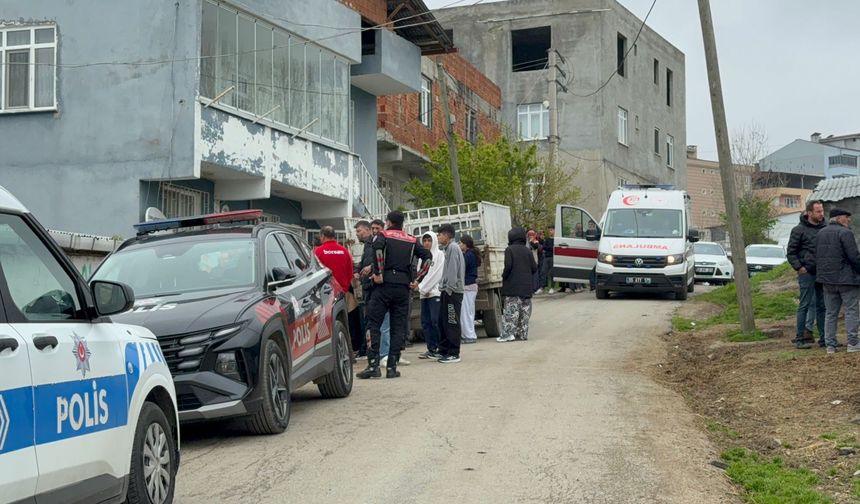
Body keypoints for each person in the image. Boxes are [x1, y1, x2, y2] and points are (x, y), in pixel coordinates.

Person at [357, 211, 432, 379]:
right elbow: (428, 257)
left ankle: (373, 365)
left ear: (389, 222)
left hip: (383, 286)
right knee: (398, 327)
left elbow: (377, 250)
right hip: (403, 287)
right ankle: (392, 367)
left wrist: (378, 273)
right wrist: (418, 279)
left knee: (373, 324)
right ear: (402, 223)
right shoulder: (412, 239)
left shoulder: (383, 235)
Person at [814, 208, 860, 354]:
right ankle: (853, 343)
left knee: (830, 313)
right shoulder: (845, 233)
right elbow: (854, 257)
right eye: (847, 217)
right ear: (840, 218)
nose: (849, 220)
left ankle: (830, 345)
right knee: (851, 311)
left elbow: (818, 256)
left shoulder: (820, 233)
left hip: (827, 280)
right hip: (847, 280)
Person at [786, 200, 826, 349]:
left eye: (822, 211)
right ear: (809, 213)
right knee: (805, 305)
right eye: (818, 211)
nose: (821, 214)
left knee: (823, 306)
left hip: (822, 273)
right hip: (807, 273)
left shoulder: (825, 228)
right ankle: (800, 338)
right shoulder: (798, 230)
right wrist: (799, 267)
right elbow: (791, 252)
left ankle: (824, 338)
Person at [355, 219, 391, 362]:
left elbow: (382, 260)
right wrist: (357, 271)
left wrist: (371, 268)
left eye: (359, 231)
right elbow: (366, 260)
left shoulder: (380, 243)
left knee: (380, 323)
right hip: (368, 288)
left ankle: (382, 353)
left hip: (376, 287)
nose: (357, 234)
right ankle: (372, 351)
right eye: (373, 228)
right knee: (370, 322)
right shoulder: (368, 245)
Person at [498, 227, 537, 342]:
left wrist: (504, 276)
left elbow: (508, 266)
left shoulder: (509, 250)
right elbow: (534, 268)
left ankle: (508, 334)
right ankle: (522, 334)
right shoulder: (527, 251)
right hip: (526, 288)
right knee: (524, 313)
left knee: (511, 312)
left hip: (513, 287)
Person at [436, 224, 465, 363]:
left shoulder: (453, 248)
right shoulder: (447, 249)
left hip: (452, 292)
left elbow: (453, 271)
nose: (438, 237)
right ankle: (444, 350)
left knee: (452, 321)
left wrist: (449, 289)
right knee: (443, 321)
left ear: (447, 235)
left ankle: (454, 353)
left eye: (440, 234)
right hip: (447, 291)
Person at [415, 231, 444, 359]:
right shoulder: (422, 257)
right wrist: (420, 287)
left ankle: (441, 348)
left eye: (429, 240)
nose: (427, 243)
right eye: (425, 241)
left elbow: (437, 274)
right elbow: (420, 274)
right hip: (423, 294)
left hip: (435, 292)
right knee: (425, 322)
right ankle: (431, 348)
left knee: (435, 320)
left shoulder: (439, 255)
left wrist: (423, 287)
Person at [313, 226, 353, 292]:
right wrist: (345, 287)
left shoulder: (317, 251)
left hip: (325, 291)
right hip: (342, 290)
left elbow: (314, 271)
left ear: (323, 236)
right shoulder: (344, 251)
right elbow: (350, 272)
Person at [460, 235, 481, 344]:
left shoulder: (468, 255)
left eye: (461, 243)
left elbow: (461, 268)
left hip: (467, 286)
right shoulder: (472, 254)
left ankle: (469, 336)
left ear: (465, 244)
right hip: (471, 286)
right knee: (469, 312)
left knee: (465, 313)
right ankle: (470, 334)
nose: (459, 245)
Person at [527, 229, 543, 294]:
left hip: (535, 261)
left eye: (532, 235)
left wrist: (531, 241)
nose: (531, 236)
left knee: (535, 275)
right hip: (528, 261)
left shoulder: (536, 242)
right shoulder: (526, 243)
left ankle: (535, 288)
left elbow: (535, 247)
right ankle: (530, 288)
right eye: (529, 235)